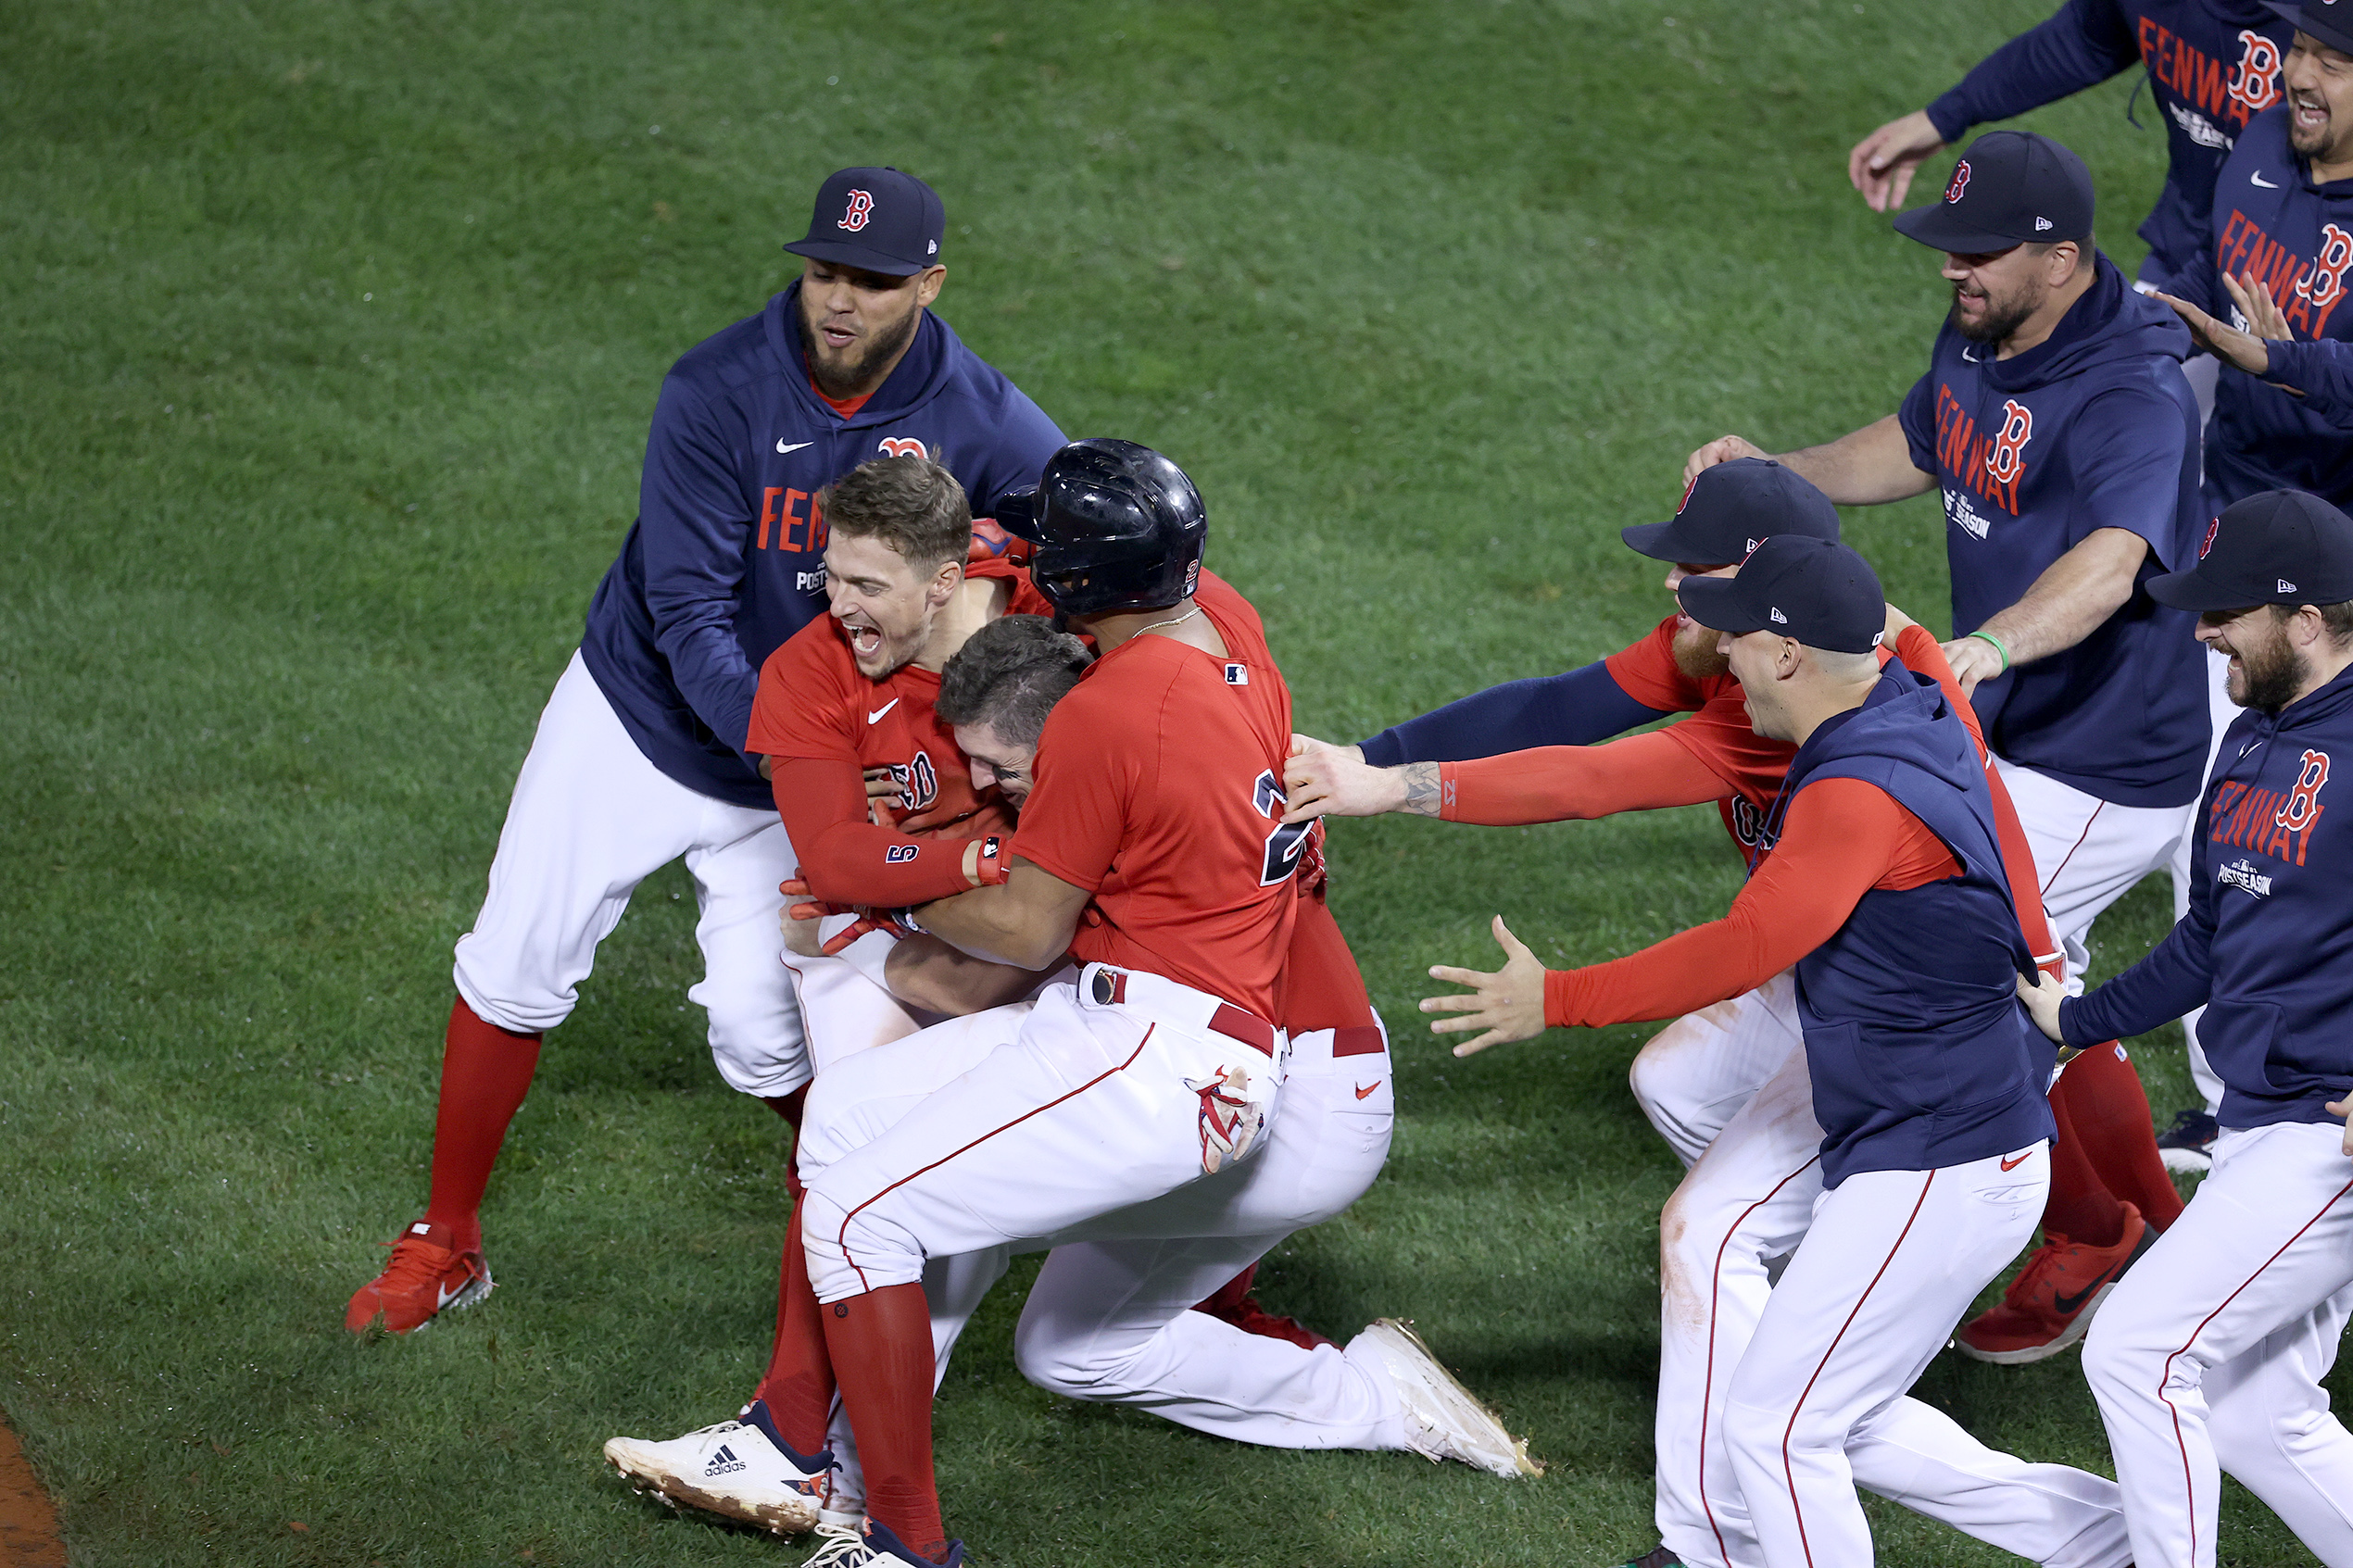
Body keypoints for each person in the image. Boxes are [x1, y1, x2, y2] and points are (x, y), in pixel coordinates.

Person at [1287, 473, 2159, 1568]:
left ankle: (1743, 1534)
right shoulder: (1879, 665)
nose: (1685, 616)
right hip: (1888, 1069)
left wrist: (1554, 995)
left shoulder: (1838, 773)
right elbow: (1575, 716)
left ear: (1783, 639)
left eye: (1715, 604)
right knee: (1764, 1319)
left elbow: (1714, 911)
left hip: (1941, 1139)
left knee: (1779, 1422)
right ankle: (2107, 1542)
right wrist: (1378, 765)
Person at [774, 440, 1534, 1567]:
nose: (1024, 560)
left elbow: (1026, 927)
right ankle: (1373, 1398)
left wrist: (886, 910)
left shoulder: (1109, 715)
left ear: (1083, 584)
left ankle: (898, 1540)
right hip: (1194, 1037)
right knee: (1053, 1329)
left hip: (1200, 1053)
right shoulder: (1228, 642)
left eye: (1046, 553)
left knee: (860, 1214)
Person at [343, 167, 1065, 1334]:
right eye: (825, 269)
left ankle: (866, 1230)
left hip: (811, 756)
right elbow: (686, 613)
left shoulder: (979, 414)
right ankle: (446, 1238)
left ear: (927, 285)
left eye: (874, 282)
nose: (839, 299)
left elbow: (1068, 525)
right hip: (640, 718)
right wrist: (812, 766)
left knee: (760, 1025)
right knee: (515, 958)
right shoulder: (717, 389)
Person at [1687, 131, 2215, 1357]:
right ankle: (2116, 1219)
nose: (1951, 272)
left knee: (1924, 969)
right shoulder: (1989, 330)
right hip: (2009, 732)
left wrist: (1993, 645)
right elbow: (1928, 439)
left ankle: (1886, 1251)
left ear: (2066, 259)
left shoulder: (2129, 388)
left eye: (1978, 252)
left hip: (2099, 760)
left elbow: (2113, 564)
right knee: (2026, 976)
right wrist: (1782, 473)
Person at [2020, 488, 2353, 1568]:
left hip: (2327, 1137)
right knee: (2261, 1414)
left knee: (2133, 1346)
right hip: (2259, 1121)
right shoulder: (2252, 734)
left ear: (2304, 620)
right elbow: (2207, 933)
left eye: (2225, 611)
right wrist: (2077, 1018)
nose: (2201, 627)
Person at [1848, 1, 2291, 311]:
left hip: (2313, 284)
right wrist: (1946, 116)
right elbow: (2088, 37)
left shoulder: (2327, 24)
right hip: (2191, 252)